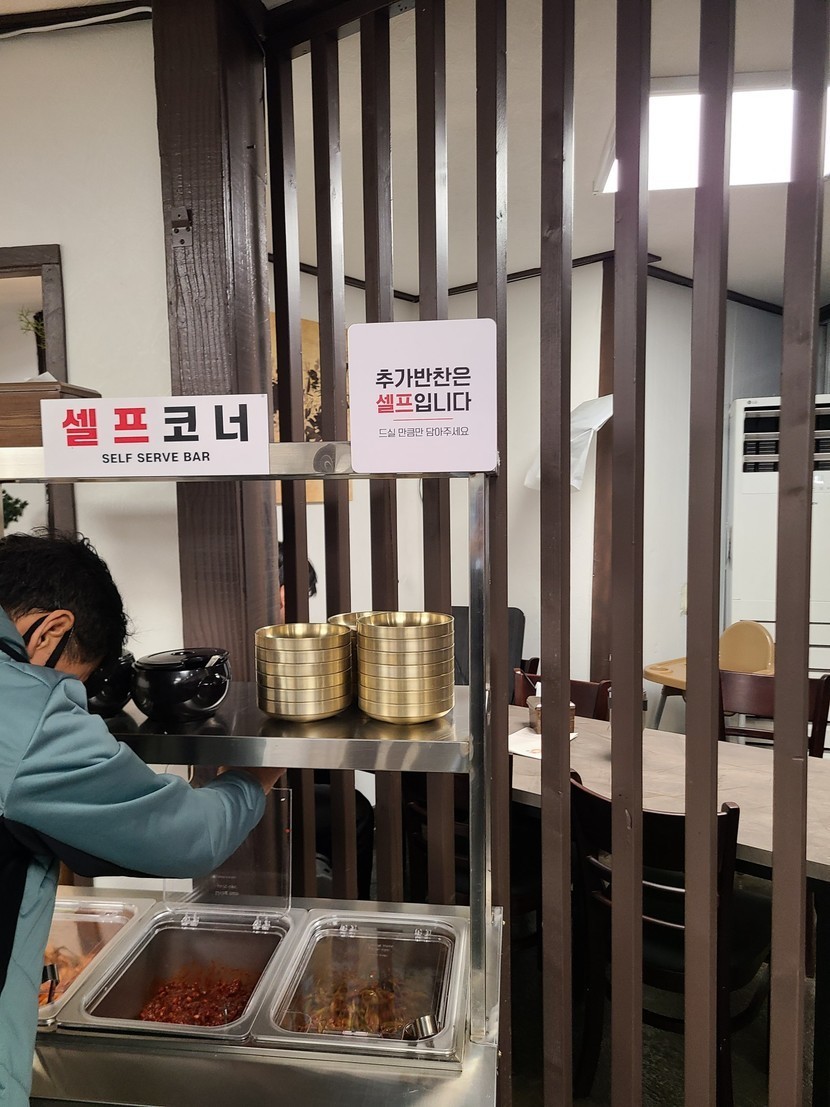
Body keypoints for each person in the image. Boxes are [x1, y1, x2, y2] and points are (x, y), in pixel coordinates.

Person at [0, 531, 282, 1107]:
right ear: (50, 630)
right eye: (71, 681)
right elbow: (185, 836)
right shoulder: (22, 706)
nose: (67, 697)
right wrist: (253, 780)